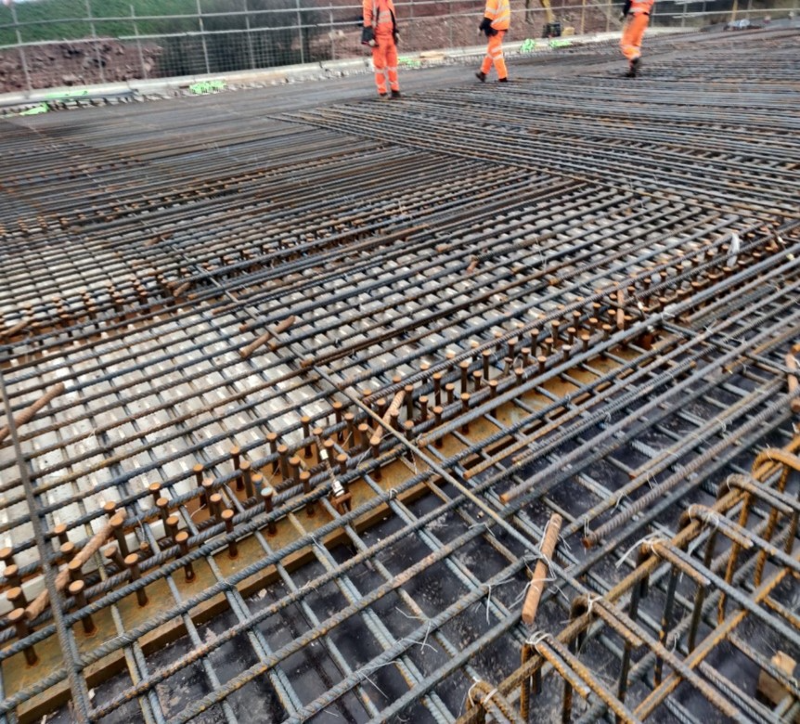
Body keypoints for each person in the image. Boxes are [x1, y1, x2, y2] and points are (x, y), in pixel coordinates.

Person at [362, 0, 401, 99]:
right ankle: (382, 91)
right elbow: (367, 18)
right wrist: (369, 37)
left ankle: (395, 90)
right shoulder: (369, 1)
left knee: (393, 64)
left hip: (389, 36)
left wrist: (395, 31)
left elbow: (392, 16)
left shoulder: (388, 1)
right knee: (380, 66)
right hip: (379, 38)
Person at [476, 0, 511, 83]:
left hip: (496, 27)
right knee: (491, 51)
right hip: (502, 25)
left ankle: (503, 76)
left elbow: (488, 18)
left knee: (496, 52)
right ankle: (483, 73)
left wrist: (480, 28)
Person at [620, 0, 654, 77]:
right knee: (635, 44)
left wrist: (623, 13)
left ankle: (635, 59)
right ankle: (632, 69)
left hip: (635, 16)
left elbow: (629, 2)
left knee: (625, 43)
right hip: (645, 17)